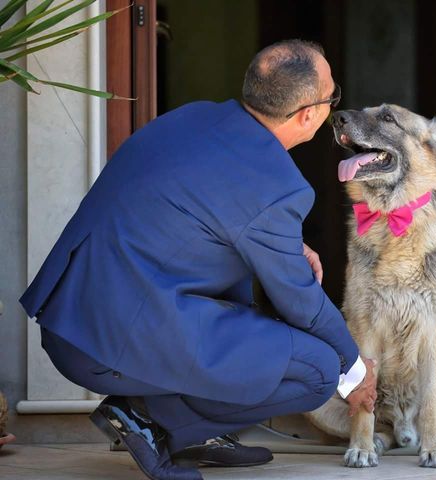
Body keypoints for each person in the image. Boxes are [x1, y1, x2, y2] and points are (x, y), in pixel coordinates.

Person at [19, 40, 377, 480]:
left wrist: (284, 245)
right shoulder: (278, 185)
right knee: (319, 370)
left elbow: (183, 216)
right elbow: (299, 301)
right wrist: (355, 372)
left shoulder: (189, 117)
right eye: (333, 96)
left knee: (259, 330)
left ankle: (193, 431)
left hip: (69, 324)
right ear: (308, 114)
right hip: (111, 345)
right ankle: (153, 422)